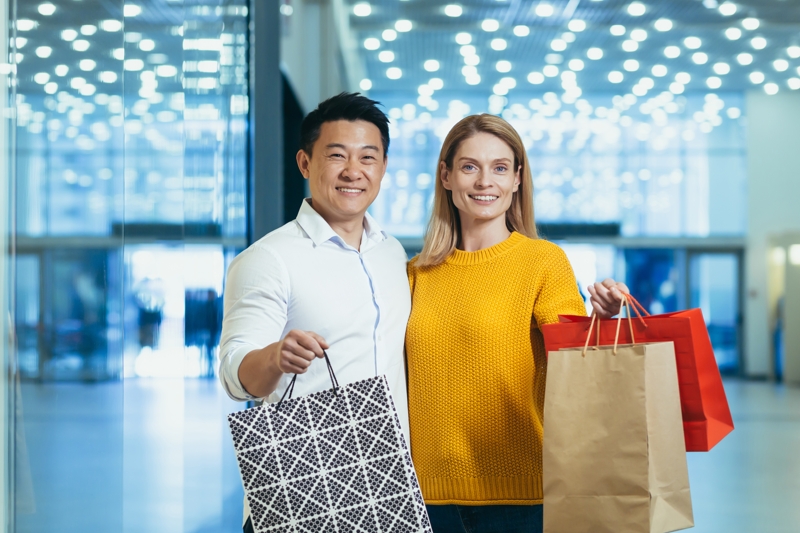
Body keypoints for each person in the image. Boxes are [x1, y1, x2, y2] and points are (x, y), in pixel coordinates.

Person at [405, 114, 627, 533]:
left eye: (500, 168)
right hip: (423, 497)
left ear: (517, 180)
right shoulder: (416, 273)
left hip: (520, 498)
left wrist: (602, 318)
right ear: (446, 176)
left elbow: (576, 362)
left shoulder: (543, 262)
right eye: (470, 166)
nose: (485, 181)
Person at [218, 92, 412, 533]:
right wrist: (275, 356)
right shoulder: (268, 258)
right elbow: (234, 374)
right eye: (337, 156)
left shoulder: (393, 253)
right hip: (302, 491)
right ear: (305, 163)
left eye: (368, 157)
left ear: (382, 168)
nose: (353, 171)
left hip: (388, 492)